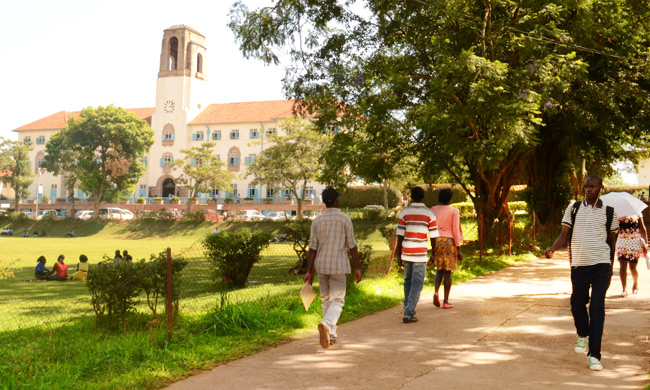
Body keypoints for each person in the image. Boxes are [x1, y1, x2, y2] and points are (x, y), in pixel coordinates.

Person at [544, 174, 619, 371]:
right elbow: (564, 234)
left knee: (597, 308)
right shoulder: (574, 208)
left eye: (593, 187)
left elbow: (612, 241)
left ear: (600, 188)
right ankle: (582, 334)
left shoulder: (610, 212)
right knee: (577, 304)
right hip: (579, 265)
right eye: (586, 186)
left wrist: (610, 267)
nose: (589, 189)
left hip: (601, 265)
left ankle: (594, 355)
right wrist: (552, 248)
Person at [304, 187, 361, 349]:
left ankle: (331, 335)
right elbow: (352, 245)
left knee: (326, 300)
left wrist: (309, 271)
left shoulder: (317, 221)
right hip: (338, 265)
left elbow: (312, 248)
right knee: (338, 300)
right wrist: (358, 267)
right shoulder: (344, 219)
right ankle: (327, 325)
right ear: (336, 200)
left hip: (321, 265)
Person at [395, 186, 439, 323]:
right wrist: (433, 255)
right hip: (420, 253)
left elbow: (400, 236)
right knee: (417, 283)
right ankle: (408, 313)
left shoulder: (404, 212)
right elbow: (433, 237)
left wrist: (398, 255)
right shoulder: (429, 213)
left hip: (406, 252)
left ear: (412, 196)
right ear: (423, 197)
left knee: (408, 281)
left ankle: (408, 308)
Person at [431, 188, 464, 309]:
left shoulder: (433, 209)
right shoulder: (454, 211)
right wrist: (459, 248)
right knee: (447, 272)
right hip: (449, 242)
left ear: (439, 198)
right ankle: (446, 301)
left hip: (437, 241)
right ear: (451, 199)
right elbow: (455, 230)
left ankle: (435, 291)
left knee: (439, 269)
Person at [616, 213, 647, 297]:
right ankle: (624, 289)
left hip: (634, 241)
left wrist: (646, 243)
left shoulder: (637, 211)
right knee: (622, 265)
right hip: (622, 241)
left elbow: (642, 227)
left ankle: (636, 283)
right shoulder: (617, 211)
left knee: (632, 268)